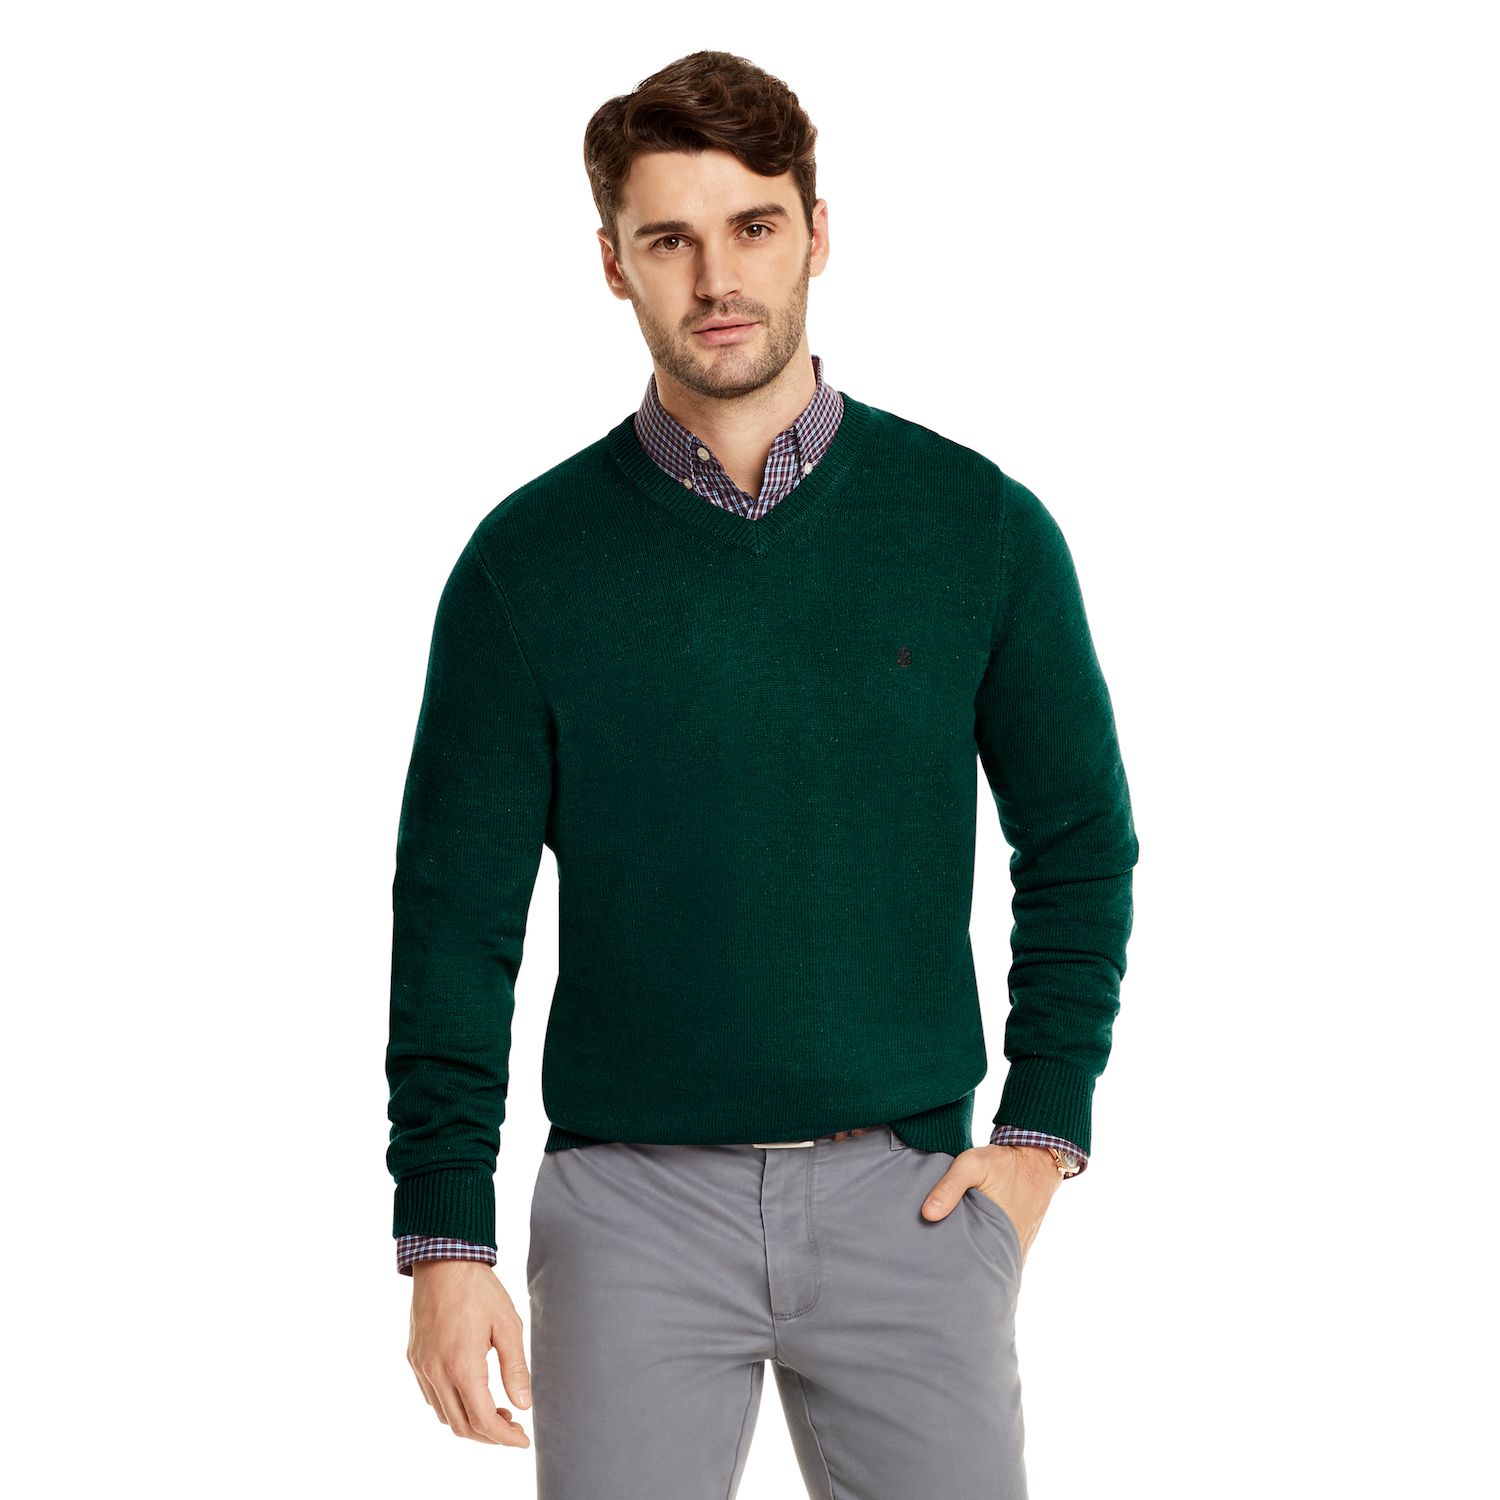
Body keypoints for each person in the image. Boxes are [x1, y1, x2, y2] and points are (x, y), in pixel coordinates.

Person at [384, 48, 1138, 1499]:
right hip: (629, 1208)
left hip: (911, 1196)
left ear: (817, 233)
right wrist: (445, 1236)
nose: (717, 277)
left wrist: (1041, 1135)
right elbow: (454, 917)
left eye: (754, 226)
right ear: (613, 263)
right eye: (670, 238)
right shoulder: (526, 567)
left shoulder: (976, 527)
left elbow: (1080, 842)